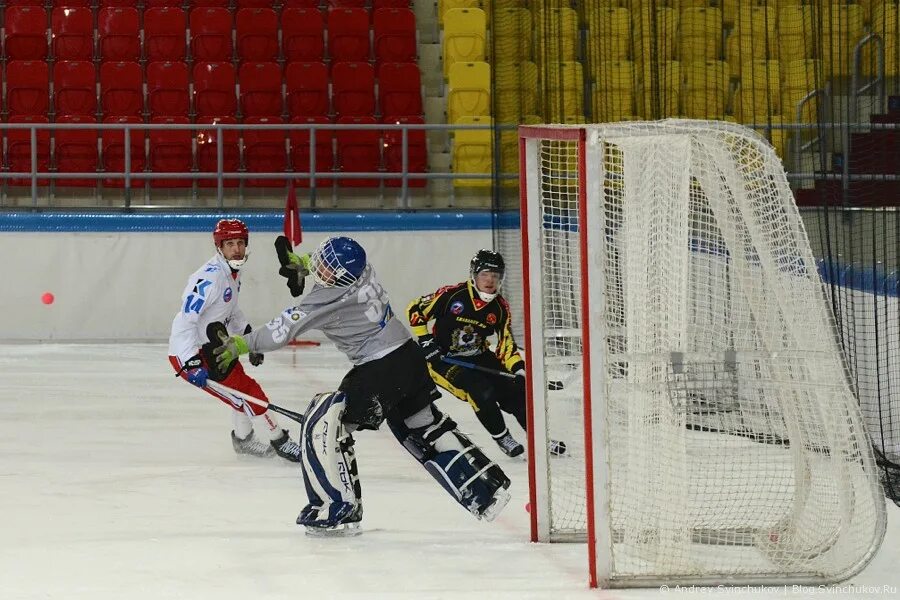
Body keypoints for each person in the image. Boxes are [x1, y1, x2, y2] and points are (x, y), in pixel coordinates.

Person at [208, 236, 512, 536]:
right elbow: (334, 266)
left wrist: (238, 345)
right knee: (424, 428)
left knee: (324, 427)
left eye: (324, 267)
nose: (320, 267)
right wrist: (302, 263)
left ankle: (338, 507)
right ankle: (486, 487)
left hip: (379, 368)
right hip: (409, 356)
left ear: (337, 277)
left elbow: (280, 331)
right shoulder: (364, 269)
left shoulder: (322, 301)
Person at [406, 249, 567, 458]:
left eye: (495, 275)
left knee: (517, 389)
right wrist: (425, 340)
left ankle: (539, 438)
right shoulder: (451, 295)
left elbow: (506, 344)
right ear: (474, 275)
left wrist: (519, 369)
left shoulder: (500, 308)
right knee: (480, 391)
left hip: (479, 356)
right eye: (485, 274)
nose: (490, 280)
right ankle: (503, 437)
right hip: (443, 360)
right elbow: (415, 309)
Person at [168, 218, 300, 463]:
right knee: (251, 395)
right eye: (230, 244)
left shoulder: (231, 272)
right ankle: (279, 440)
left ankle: (244, 440)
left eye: (240, 243)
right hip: (196, 356)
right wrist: (191, 362)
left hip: (217, 349)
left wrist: (250, 340)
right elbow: (185, 322)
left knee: (243, 394)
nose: (237, 249)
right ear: (220, 247)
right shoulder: (209, 279)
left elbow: (232, 311)